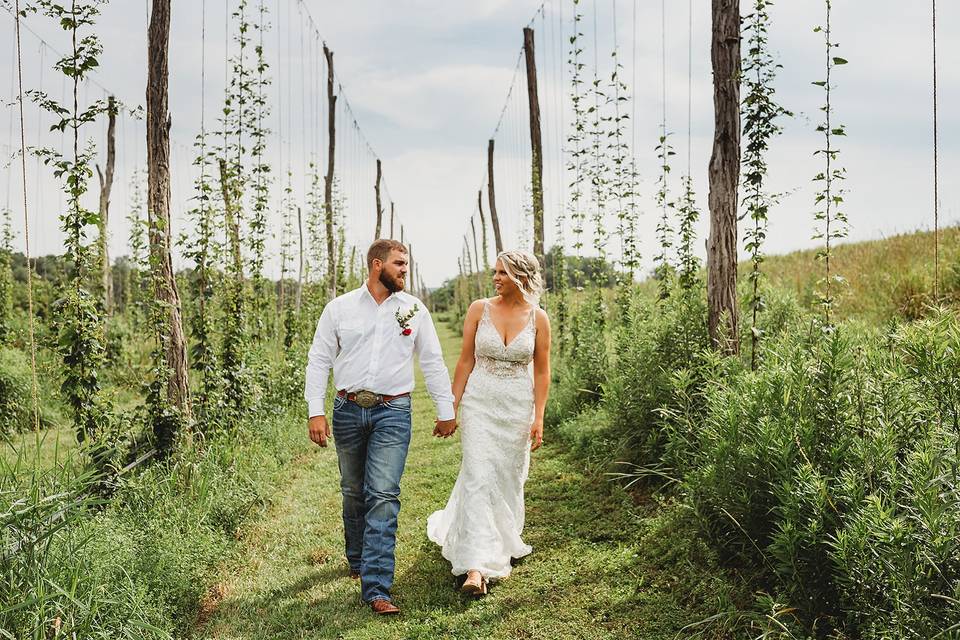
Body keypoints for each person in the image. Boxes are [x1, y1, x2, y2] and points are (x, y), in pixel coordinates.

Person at [305, 238, 457, 616]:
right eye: (399, 263)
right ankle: (356, 558)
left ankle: (377, 587)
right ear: (377, 265)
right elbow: (319, 359)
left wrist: (445, 409)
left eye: (407, 263)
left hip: (393, 411)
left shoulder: (414, 310)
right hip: (348, 408)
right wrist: (315, 411)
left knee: (384, 494)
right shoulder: (339, 309)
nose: (405, 270)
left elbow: (434, 362)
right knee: (354, 490)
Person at [427, 250, 552, 595]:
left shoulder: (538, 318)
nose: (495, 278)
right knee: (479, 476)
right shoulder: (479, 310)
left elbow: (542, 372)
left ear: (521, 278)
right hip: (479, 402)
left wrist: (539, 417)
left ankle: (501, 539)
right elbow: (465, 361)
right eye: (495, 272)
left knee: (509, 479)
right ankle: (475, 567)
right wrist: (450, 409)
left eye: (502, 273)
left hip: (517, 407)